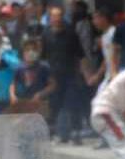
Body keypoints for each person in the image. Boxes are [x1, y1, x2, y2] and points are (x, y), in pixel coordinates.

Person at [41, 6, 85, 144]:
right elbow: (43, 56)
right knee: (55, 105)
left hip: (70, 74)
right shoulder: (46, 34)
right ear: (50, 18)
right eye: (54, 16)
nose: (57, 18)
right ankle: (55, 134)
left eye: (59, 15)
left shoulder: (71, 33)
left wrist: (81, 73)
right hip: (53, 76)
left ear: (63, 16)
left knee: (72, 103)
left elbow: (80, 54)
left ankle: (76, 133)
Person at [10, 38, 55, 115]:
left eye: (34, 49)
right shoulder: (19, 67)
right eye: (27, 50)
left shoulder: (44, 67)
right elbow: (13, 84)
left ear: (38, 52)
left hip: (39, 103)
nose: (31, 52)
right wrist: (12, 95)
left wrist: (41, 94)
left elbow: (53, 85)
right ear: (23, 53)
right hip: (23, 103)